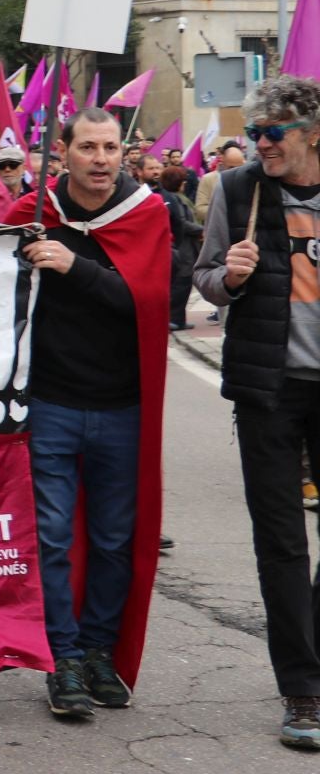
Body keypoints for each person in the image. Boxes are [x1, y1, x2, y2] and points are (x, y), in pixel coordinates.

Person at [4, 107, 171, 721]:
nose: (101, 159)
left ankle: (100, 649)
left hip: (121, 406)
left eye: (110, 148)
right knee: (50, 538)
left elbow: (147, 303)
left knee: (112, 541)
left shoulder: (146, 214)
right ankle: (63, 657)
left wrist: (74, 267)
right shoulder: (32, 214)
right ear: (63, 151)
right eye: (89, 148)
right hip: (49, 402)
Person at [192, 76, 320, 750]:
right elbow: (206, 275)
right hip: (268, 389)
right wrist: (231, 277)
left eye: (274, 132)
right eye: (255, 131)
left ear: (312, 133)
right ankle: (302, 689)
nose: (261, 144)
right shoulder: (241, 192)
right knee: (281, 544)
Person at [158, 165, 200, 330]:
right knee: (181, 283)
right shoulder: (174, 199)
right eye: (182, 181)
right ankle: (173, 318)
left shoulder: (179, 198)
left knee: (185, 284)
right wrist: (201, 230)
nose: (184, 184)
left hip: (188, 245)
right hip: (183, 247)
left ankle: (179, 319)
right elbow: (182, 223)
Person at [196, 144, 247, 224]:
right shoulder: (208, 179)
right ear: (222, 160)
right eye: (231, 167)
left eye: (239, 168)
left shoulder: (247, 179)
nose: (235, 171)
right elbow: (200, 210)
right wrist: (225, 211)